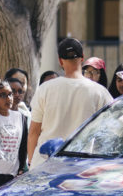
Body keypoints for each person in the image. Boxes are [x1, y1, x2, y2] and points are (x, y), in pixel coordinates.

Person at [28, 38, 113, 169]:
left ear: (60, 61)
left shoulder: (45, 89)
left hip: (45, 166)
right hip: (81, 167)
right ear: (82, 58)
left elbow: (34, 131)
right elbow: (111, 130)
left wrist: (31, 163)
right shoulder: (99, 92)